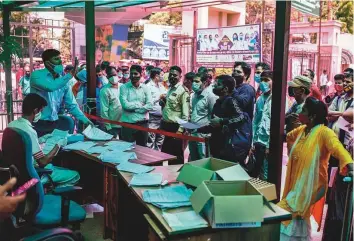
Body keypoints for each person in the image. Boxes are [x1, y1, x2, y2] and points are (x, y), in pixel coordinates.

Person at [278, 97, 353, 241]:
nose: (300, 111)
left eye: (304, 110)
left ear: (312, 116)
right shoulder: (302, 130)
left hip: (314, 184)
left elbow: (338, 149)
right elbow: (288, 137)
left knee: (286, 210)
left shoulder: (324, 132)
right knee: (298, 217)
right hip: (299, 184)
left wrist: (351, 166)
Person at [8, 94, 80, 187]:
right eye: (41, 111)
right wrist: (58, 145)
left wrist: (40, 140)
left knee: (55, 168)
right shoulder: (29, 131)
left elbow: (22, 144)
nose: (41, 114)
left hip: (17, 171)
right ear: (35, 111)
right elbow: (42, 162)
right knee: (75, 175)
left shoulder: (12, 125)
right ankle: (46, 191)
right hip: (33, 173)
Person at [30, 49, 93, 137]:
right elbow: (51, 87)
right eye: (56, 59)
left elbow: (71, 104)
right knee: (41, 149)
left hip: (55, 122)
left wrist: (84, 120)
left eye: (60, 58)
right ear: (47, 63)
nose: (60, 61)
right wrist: (69, 76)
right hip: (38, 123)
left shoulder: (64, 81)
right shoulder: (37, 75)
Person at [197, 75, 252, 164]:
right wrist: (198, 128)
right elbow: (214, 125)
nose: (214, 86)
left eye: (217, 84)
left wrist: (222, 121)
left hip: (228, 148)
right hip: (218, 146)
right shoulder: (217, 103)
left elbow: (240, 118)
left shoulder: (231, 101)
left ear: (225, 89)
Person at [160, 66, 190, 164]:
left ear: (180, 77)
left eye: (175, 75)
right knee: (166, 154)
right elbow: (170, 108)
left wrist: (180, 130)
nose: (172, 77)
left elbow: (185, 114)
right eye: (171, 75)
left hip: (176, 128)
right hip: (166, 126)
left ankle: (177, 177)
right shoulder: (170, 89)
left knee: (176, 157)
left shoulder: (183, 91)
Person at [119, 65, 153, 146]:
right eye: (131, 73)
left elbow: (150, 105)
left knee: (142, 150)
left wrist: (135, 109)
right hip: (128, 123)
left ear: (141, 74)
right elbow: (125, 105)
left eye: (135, 74)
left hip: (143, 123)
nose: (133, 76)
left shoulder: (145, 88)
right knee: (126, 149)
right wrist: (139, 105)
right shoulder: (124, 87)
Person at [250, 70, 273, 180]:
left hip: (268, 143)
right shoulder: (259, 99)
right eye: (262, 80)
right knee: (258, 171)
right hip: (259, 141)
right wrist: (253, 141)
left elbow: (278, 125)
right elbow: (255, 121)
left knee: (267, 173)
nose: (263, 83)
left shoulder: (278, 99)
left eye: (267, 80)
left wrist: (269, 145)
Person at [189, 73, 217, 161]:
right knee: (194, 159)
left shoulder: (210, 96)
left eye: (197, 81)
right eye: (193, 81)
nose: (194, 83)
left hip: (204, 135)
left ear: (204, 82)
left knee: (203, 159)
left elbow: (214, 116)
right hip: (193, 132)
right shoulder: (194, 96)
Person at [328, 72, 353, 146]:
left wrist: (335, 114)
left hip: (348, 142)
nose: (345, 84)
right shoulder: (338, 98)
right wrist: (343, 114)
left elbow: (351, 116)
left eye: (348, 82)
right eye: (344, 81)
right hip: (333, 139)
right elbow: (329, 114)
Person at [145, 68, 167, 150]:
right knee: (150, 141)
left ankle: (158, 160)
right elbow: (147, 102)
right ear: (156, 76)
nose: (163, 76)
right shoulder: (148, 87)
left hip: (162, 118)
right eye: (161, 75)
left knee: (160, 141)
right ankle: (150, 161)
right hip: (152, 118)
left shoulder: (161, 86)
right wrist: (158, 98)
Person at [100, 67, 122, 138]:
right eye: (110, 75)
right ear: (107, 77)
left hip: (125, 123)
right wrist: (108, 126)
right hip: (113, 125)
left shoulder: (123, 87)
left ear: (117, 74)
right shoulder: (105, 90)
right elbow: (104, 110)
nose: (113, 77)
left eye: (114, 75)